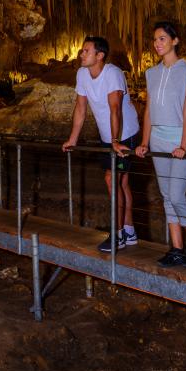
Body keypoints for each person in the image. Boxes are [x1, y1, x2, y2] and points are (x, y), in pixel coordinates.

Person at [135, 22, 186, 268]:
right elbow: (149, 112)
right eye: (155, 40)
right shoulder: (151, 74)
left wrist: (184, 146)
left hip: (179, 138)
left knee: (177, 195)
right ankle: (176, 249)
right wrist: (144, 142)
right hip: (158, 138)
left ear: (175, 41)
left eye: (162, 39)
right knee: (166, 196)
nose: (157, 44)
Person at [62, 36, 140, 252]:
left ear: (100, 55)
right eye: (81, 51)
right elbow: (80, 108)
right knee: (121, 184)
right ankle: (129, 231)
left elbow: (115, 109)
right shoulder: (82, 74)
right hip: (108, 137)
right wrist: (73, 139)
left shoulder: (113, 74)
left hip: (125, 134)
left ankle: (117, 236)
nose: (81, 54)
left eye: (86, 51)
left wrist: (115, 141)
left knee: (111, 180)